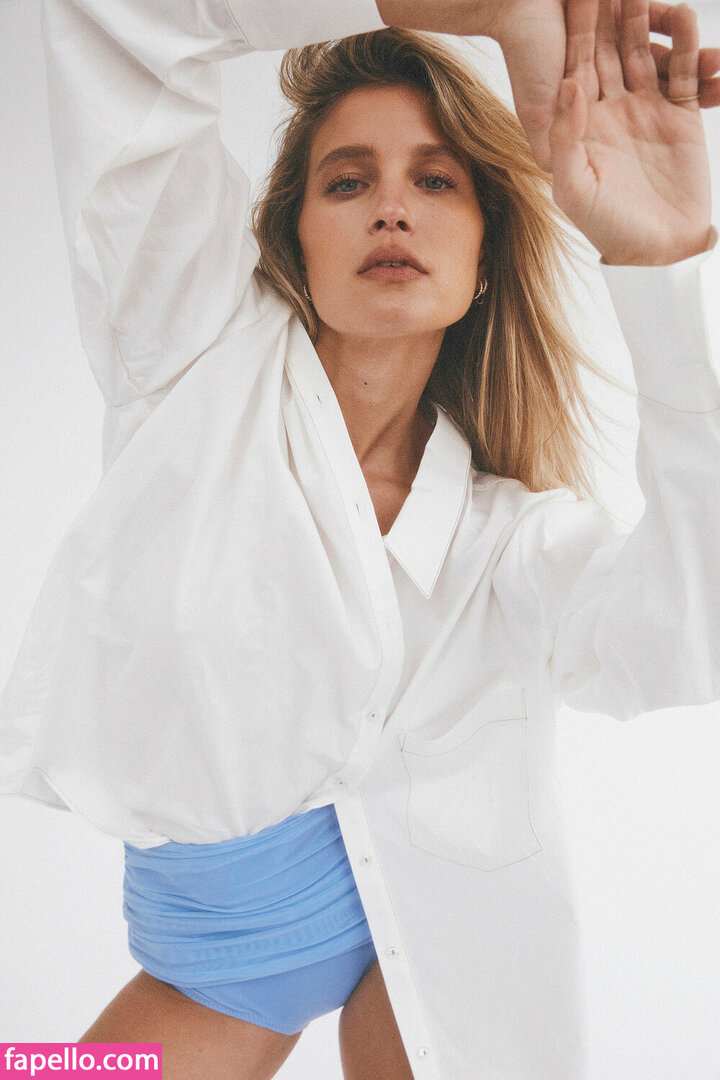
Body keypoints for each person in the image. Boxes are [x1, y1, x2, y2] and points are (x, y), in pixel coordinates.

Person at [1, 0, 719, 1077]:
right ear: (295, 240)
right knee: (36, 1069)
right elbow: (115, 20)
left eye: (436, 181)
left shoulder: (510, 546)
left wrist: (660, 267)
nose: (391, 207)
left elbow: (692, 630)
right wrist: (480, 12)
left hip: (441, 955)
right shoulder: (190, 361)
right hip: (214, 963)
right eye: (347, 182)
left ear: (485, 255)